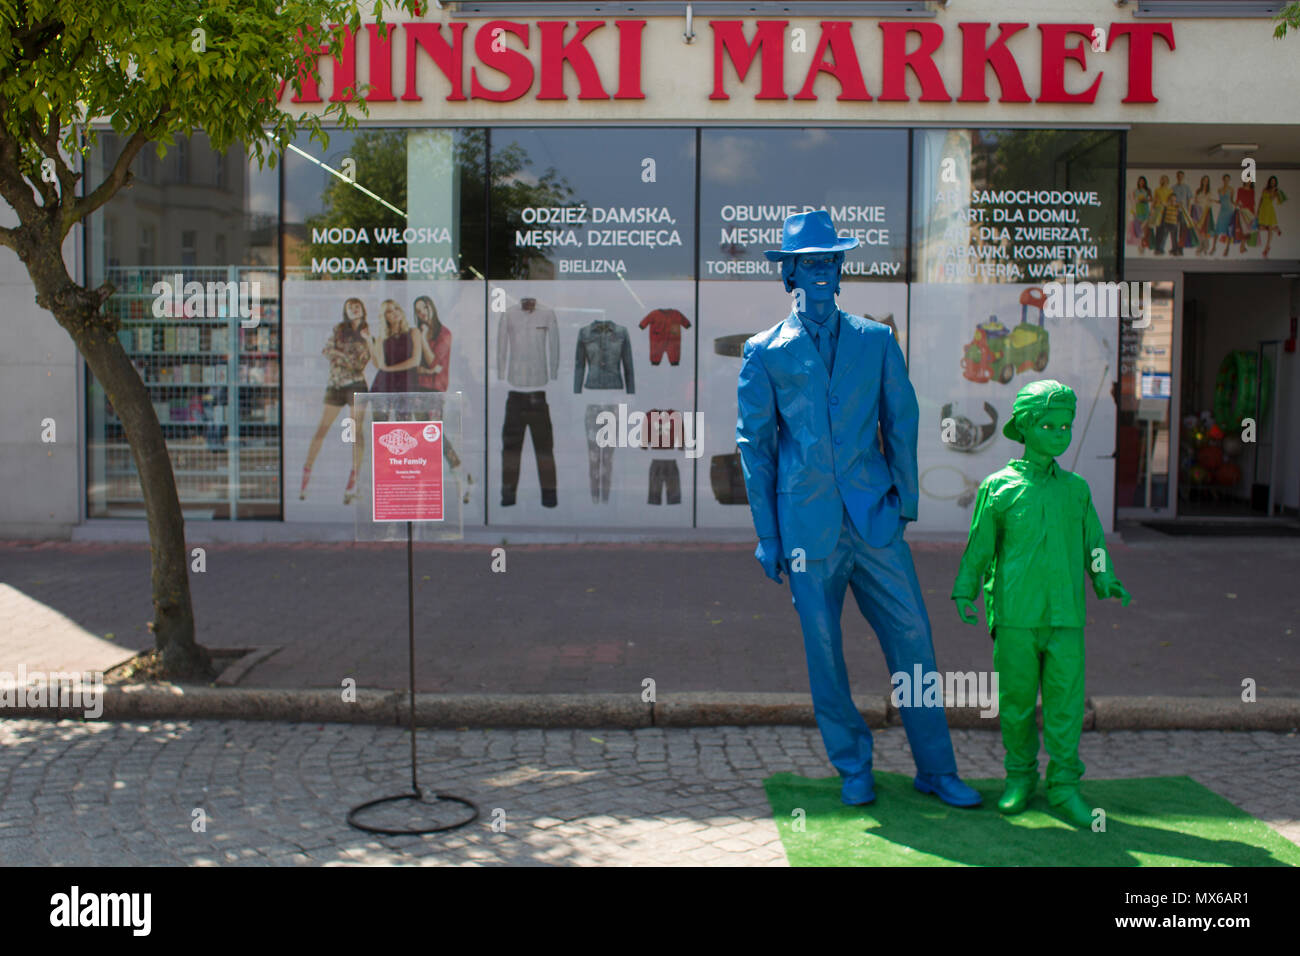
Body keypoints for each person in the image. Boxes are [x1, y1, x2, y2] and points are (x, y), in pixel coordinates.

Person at [736, 210, 981, 810]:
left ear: (842, 270)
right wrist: (768, 538)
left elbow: (902, 420)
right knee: (824, 653)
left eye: (830, 260)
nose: (821, 271)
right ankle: (852, 765)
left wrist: (906, 503)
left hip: (875, 519)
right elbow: (757, 450)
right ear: (789, 272)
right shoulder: (764, 352)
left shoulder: (876, 340)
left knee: (914, 640)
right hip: (805, 527)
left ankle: (936, 767)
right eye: (809, 262)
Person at [951, 380, 1131, 828]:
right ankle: (1020, 777)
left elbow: (1093, 543)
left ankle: (1065, 784)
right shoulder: (999, 487)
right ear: (1025, 427)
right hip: (1015, 615)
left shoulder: (1076, 490)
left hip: (1067, 616)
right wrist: (965, 587)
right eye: (1049, 425)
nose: (1059, 434)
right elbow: (980, 547)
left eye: (1066, 426)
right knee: (1014, 702)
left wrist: (1104, 576)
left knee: (1066, 703)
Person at [301, 297, 370, 504]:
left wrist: (343, 356)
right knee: (322, 428)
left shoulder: (367, 334)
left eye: (357, 306)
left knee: (355, 432)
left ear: (363, 310)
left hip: (356, 385)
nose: (354, 309)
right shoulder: (338, 329)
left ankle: (354, 479)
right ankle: (307, 474)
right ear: (345, 312)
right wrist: (347, 358)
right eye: (350, 307)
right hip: (336, 385)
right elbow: (326, 350)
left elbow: (361, 364)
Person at [413, 294, 472, 504]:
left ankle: (458, 472)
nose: (422, 313)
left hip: (433, 390)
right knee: (426, 436)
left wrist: (422, 341)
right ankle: (453, 474)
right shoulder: (418, 333)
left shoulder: (444, 333)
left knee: (433, 435)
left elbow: (431, 364)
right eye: (418, 310)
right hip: (416, 390)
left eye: (425, 307)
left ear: (432, 307)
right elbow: (416, 365)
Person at [368, 299, 423, 421]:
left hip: (406, 383)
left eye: (396, 308)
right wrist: (369, 342)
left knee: (404, 424)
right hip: (384, 384)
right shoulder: (382, 337)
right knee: (380, 425)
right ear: (384, 317)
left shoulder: (413, 332)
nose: (394, 312)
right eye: (389, 311)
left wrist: (389, 369)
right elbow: (379, 365)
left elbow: (415, 361)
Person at [1258, 175, 1286, 258]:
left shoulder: (1275, 191)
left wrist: (1274, 191)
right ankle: (1276, 229)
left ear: (1275, 182)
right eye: (1271, 181)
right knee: (1260, 227)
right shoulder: (1265, 189)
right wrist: (1258, 210)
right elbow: (1261, 199)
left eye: (1274, 181)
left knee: (1269, 229)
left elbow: (1272, 198)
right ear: (1269, 181)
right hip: (1263, 209)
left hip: (1269, 210)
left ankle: (1267, 248)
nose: (1272, 182)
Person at [1213, 173, 1236, 257]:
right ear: (1223, 180)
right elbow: (1220, 201)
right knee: (1217, 228)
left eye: (1228, 179)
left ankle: (1227, 248)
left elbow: (1232, 201)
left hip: (1229, 210)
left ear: (1229, 180)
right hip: (1222, 211)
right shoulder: (1219, 189)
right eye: (1225, 179)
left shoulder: (1231, 189)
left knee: (1228, 230)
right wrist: (1214, 201)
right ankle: (1213, 247)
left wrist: (1238, 204)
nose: (1226, 181)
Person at [1192, 175, 1214, 256]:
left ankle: (1205, 247)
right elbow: (1195, 201)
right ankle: (1200, 246)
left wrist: (1205, 212)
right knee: (1197, 230)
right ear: (1202, 181)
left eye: (1207, 181)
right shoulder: (1198, 191)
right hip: (1197, 211)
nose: (1205, 182)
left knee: (1204, 231)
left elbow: (1209, 204)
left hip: (1205, 212)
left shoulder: (1209, 191)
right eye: (1204, 180)